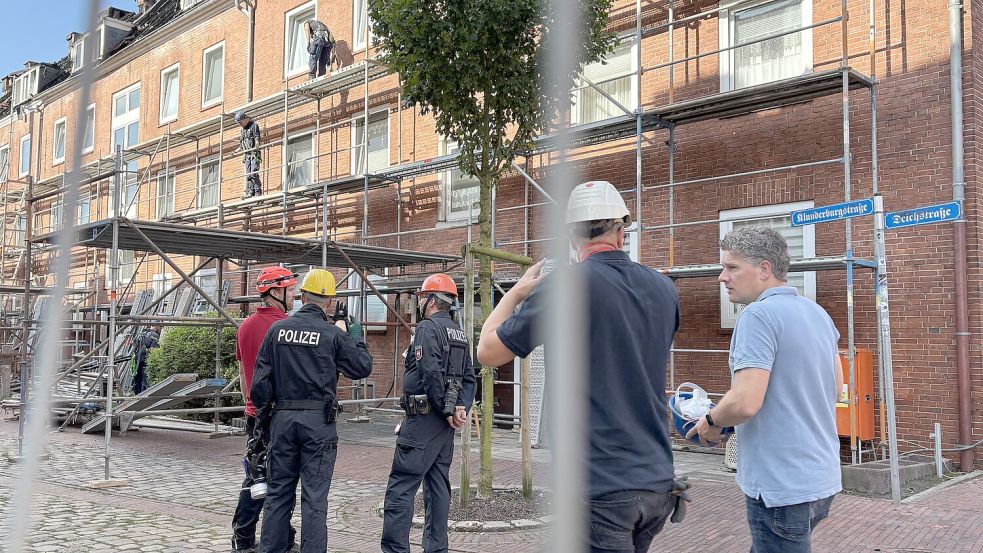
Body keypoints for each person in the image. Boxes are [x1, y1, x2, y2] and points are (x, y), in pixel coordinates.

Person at [477, 180, 681, 553]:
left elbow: (488, 352)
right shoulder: (664, 289)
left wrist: (517, 293)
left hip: (600, 485)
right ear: (622, 230)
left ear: (571, 235)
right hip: (657, 481)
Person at [688, 225, 842, 553]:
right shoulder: (818, 314)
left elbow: (745, 402)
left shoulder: (758, 316)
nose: (721, 276)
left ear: (764, 270)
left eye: (731, 267)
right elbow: (836, 387)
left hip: (778, 485)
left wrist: (712, 421)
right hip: (820, 478)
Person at [252, 269, 373, 553]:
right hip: (318, 423)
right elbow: (361, 367)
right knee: (315, 499)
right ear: (329, 301)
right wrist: (354, 335)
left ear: (302, 296)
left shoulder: (277, 330)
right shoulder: (332, 334)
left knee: (279, 494)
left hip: (283, 420)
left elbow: (259, 386)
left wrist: (267, 418)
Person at [381, 273, 476, 553]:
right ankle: (436, 549)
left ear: (432, 300)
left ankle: (395, 550)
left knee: (401, 488)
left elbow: (429, 371)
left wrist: (447, 410)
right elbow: (469, 378)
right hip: (444, 427)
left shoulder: (427, 328)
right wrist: (460, 409)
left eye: (423, 298)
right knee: (437, 489)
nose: (420, 303)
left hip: (423, 420)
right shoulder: (459, 334)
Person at [231, 266, 298, 553]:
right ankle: (274, 539)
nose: (294, 295)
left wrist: (251, 406)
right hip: (279, 415)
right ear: (275, 291)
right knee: (281, 479)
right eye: (291, 290)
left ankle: (244, 537)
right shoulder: (286, 327)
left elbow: (244, 376)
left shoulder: (245, 326)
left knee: (256, 474)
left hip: (253, 414)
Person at [235, 111, 262, 199]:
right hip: (247, 154)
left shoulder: (254, 126)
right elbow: (242, 143)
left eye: (241, 122)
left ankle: (257, 191)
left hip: (254, 153)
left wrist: (257, 143)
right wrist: (236, 151)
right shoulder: (243, 130)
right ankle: (251, 191)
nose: (240, 125)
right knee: (248, 174)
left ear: (245, 119)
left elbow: (256, 136)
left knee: (253, 171)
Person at [131, 326, 160, 394]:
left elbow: (133, 344)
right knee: (145, 378)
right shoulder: (155, 335)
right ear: (156, 327)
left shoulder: (142, 333)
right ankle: (144, 394)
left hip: (137, 358)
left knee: (137, 377)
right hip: (145, 358)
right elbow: (153, 350)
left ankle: (137, 394)